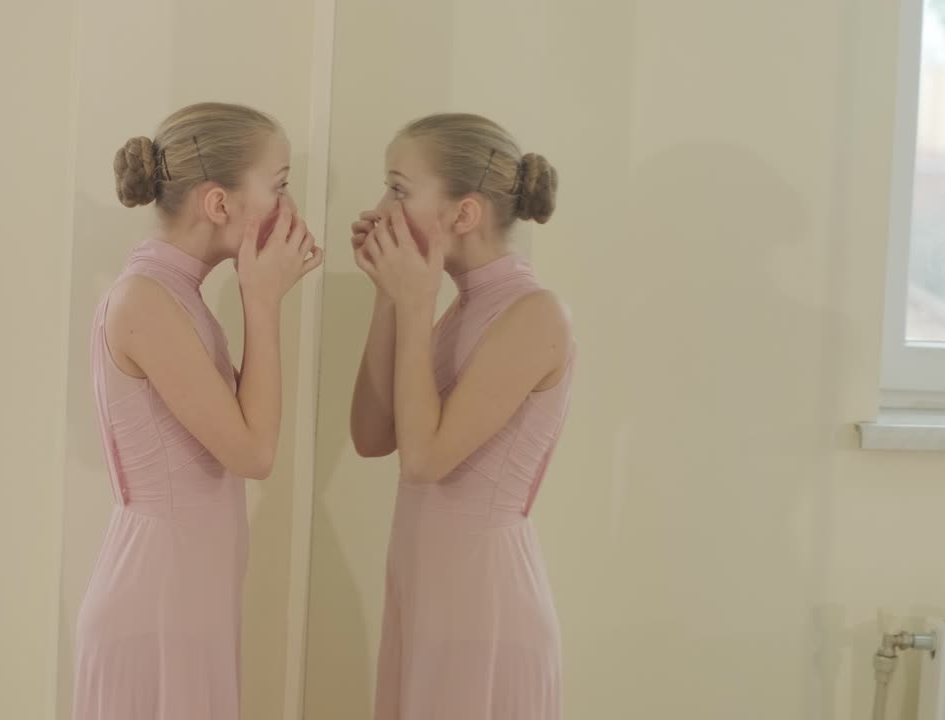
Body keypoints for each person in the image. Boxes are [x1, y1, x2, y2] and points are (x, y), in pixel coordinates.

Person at [73, 102, 322, 720]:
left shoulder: (179, 299)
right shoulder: (146, 302)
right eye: (281, 186)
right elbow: (254, 452)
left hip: (188, 602)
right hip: (158, 604)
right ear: (218, 204)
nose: (291, 210)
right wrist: (262, 302)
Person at [350, 113, 573, 720]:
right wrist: (390, 295)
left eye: (398, 188)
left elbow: (424, 461)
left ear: (464, 215)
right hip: (426, 595)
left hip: (483, 610)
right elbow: (371, 437)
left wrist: (417, 298)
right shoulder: (457, 308)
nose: (380, 206)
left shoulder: (532, 314)